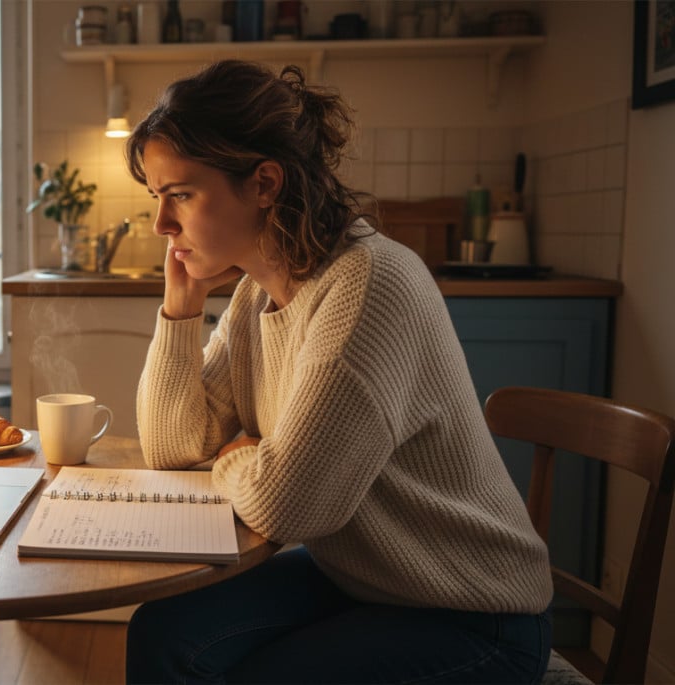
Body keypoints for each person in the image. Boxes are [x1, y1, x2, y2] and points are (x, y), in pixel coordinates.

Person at [125, 60, 553, 684]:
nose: (162, 225)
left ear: (264, 182)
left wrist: (235, 458)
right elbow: (170, 447)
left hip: (474, 613)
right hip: (368, 580)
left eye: (180, 195)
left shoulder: (370, 283)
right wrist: (181, 307)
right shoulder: (255, 296)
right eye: (156, 199)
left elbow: (283, 506)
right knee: (162, 631)